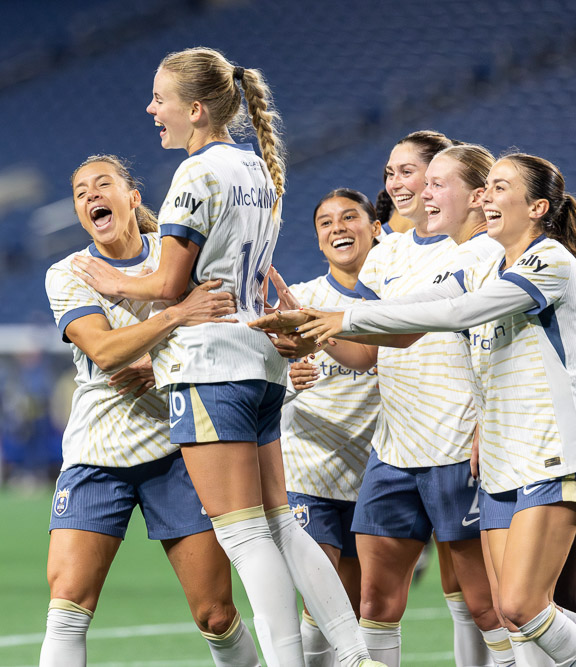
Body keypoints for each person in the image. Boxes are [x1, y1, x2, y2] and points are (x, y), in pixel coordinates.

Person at [71, 47, 379, 667]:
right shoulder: (256, 167)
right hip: (259, 361)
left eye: (161, 98)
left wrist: (112, 282)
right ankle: (353, 655)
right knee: (282, 523)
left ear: (196, 107)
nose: (152, 109)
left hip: (210, 367)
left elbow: (168, 283)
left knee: (243, 533)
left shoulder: (197, 174)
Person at [262, 153, 576, 665]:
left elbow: (458, 312)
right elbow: (412, 310)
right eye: (488, 187)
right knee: (512, 612)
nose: (487, 198)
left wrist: (342, 317)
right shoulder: (479, 260)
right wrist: (324, 325)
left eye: (499, 188)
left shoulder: (552, 262)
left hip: (550, 452)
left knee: (520, 606)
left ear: (538, 207)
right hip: (497, 462)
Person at [41, 154, 258, 667]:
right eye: (80, 192)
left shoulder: (179, 257)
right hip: (98, 453)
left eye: (103, 184)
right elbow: (105, 351)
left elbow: (227, 326)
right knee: (68, 603)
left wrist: (158, 365)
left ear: (132, 198)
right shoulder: (69, 272)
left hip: (180, 449)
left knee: (215, 615)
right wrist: (179, 316)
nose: (92, 196)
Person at [279, 189, 382, 666]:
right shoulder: (302, 300)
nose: (337, 227)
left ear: (375, 227)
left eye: (349, 217)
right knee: (322, 600)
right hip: (309, 469)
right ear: (318, 240)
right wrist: (287, 378)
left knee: (354, 602)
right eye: (325, 222)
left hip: (373, 475)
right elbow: (260, 375)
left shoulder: (399, 299)